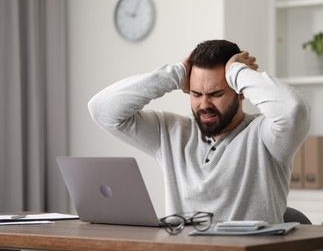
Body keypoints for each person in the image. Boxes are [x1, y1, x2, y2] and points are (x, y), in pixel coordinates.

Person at [88, 39, 311, 223]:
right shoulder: (171, 133)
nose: (204, 104)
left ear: (240, 93)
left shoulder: (266, 136)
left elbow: (293, 109)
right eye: (196, 93)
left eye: (215, 94)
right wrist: (175, 74)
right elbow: (102, 109)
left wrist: (237, 72)